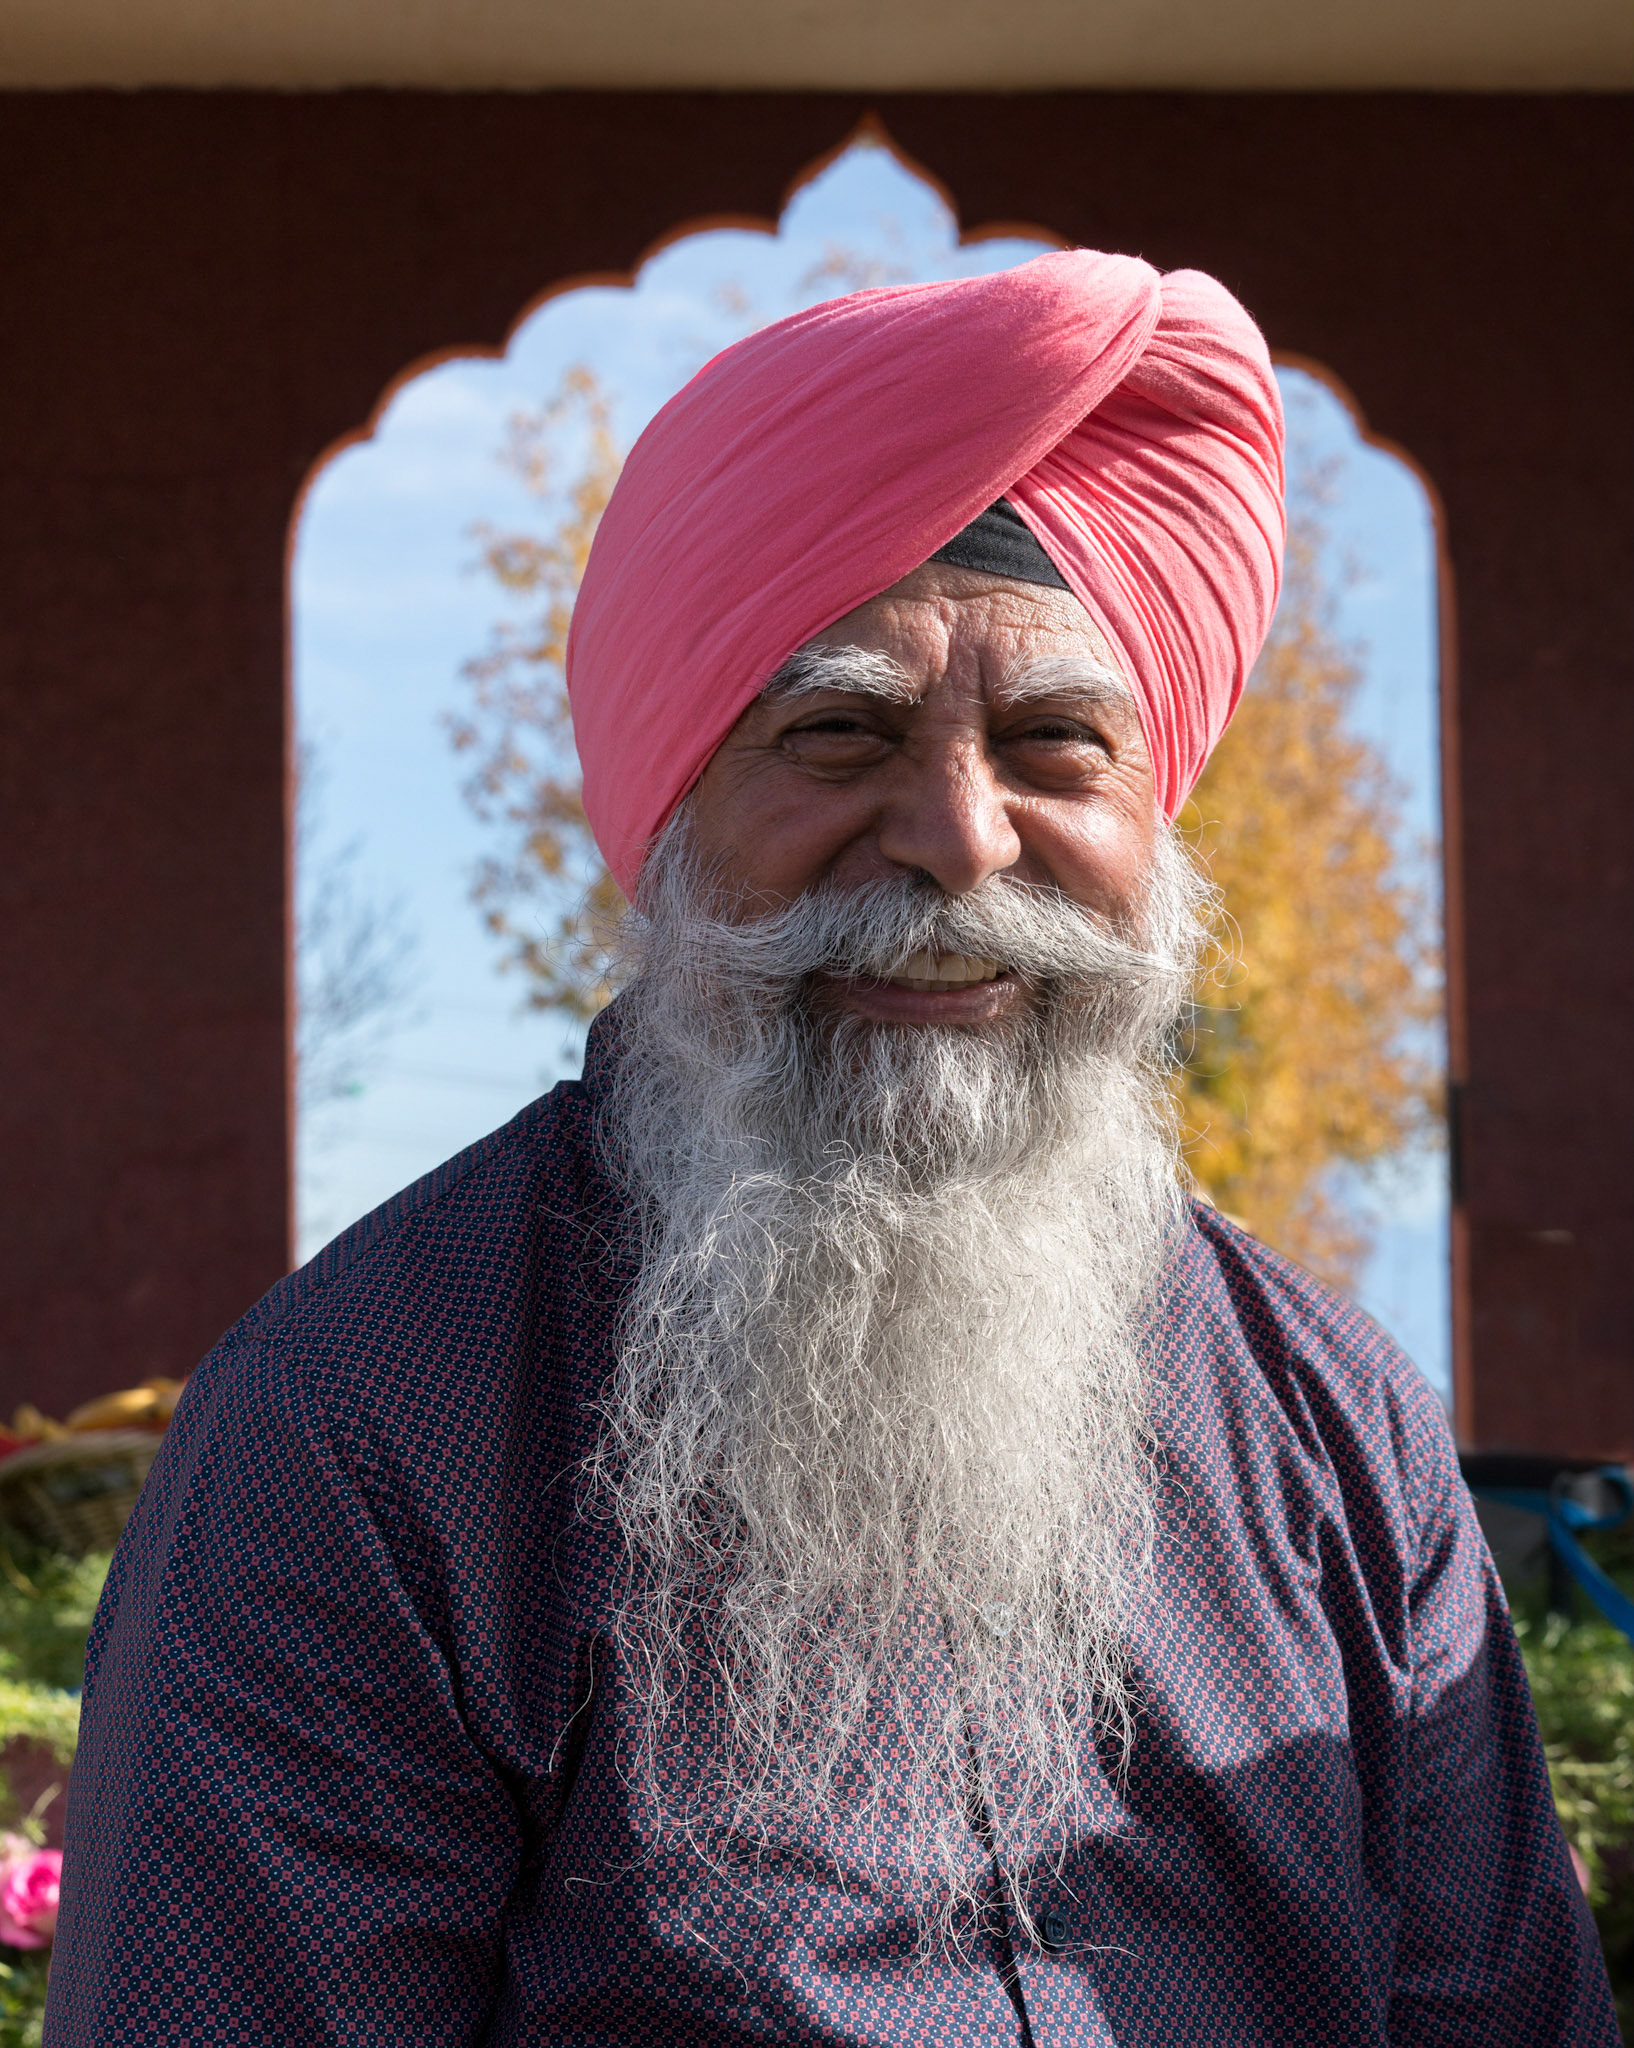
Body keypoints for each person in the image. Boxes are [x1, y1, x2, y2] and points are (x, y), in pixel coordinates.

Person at [46, 252, 1615, 2046]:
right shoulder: (367, 1427)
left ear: (1154, 817)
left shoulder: (1333, 1428)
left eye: (1054, 745)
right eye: (839, 733)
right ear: (670, 808)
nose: (957, 837)